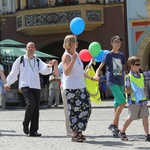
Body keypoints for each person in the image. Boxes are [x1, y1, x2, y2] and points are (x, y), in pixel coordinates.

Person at [4, 42, 59, 137]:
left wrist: (49, 66)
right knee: (31, 104)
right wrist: (8, 83)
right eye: (29, 47)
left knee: (36, 108)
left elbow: (44, 69)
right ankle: (25, 123)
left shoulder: (37, 60)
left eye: (32, 47)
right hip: (25, 85)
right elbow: (14, 72)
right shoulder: (20, 59)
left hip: (36, 86)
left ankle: (33, 130)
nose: (30, 48)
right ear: (26, 49)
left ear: (35, 49)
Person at [94, 35, 126, 137]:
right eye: (116, 42)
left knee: (117, 104)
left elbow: (123, 70)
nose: (118, 44)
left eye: (119, 42)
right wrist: (96, 74)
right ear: (111, 43)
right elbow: (100, 67)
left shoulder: (121, 55)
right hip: (112, 81)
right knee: (123, 101)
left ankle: (115, 128)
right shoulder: (108, 55)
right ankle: (113, 124)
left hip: (121, 81)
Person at [62, 34, 93, 142]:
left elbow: (80, 72)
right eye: (75, 42)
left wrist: (92, 78)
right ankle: (75, 134)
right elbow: (66, 72)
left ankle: (79, 130)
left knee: (86, 109)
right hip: (71, 88)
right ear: (70, 44)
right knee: (74, 111)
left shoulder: (76, 55)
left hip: (81, 87)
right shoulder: (66, 56)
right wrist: (72, 61)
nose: (77, 44)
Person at [119, 56, 150, 141]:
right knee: (131, 117)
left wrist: (144, 91)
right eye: (137, 64)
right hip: (134, 101)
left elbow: (143, 86)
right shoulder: (129, 77)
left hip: (142, 100)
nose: (139, 66)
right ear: (131, 65)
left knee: (145, 116)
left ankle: (147, 134)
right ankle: (122, 131)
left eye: (139, 64)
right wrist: (134, 90)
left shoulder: (141, 75)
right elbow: (127, 89)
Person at [58, 62, 72, 136]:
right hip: (66, 87)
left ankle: (76, 129)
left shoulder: (77, 60)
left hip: (75, 87)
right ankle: (69, 130)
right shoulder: (62, 63)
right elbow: (57, 73)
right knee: (67, 110)